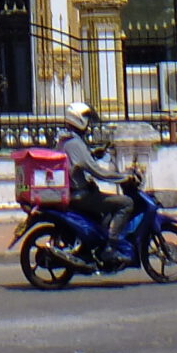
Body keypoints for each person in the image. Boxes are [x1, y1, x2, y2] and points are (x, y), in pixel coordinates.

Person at [57, 101, 137, 258]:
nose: (88, 125)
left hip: (75, 192)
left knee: (106, 207)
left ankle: (97, 243)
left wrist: (93, 154)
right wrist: (124, 177)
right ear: (79, 119)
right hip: (82, 195)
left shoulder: (66, 139)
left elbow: (80, 161)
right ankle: (110, 247)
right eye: (87, 120)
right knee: (126, 203)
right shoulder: (74, 142)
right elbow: (97, 172)